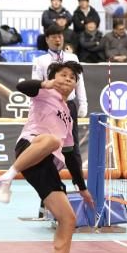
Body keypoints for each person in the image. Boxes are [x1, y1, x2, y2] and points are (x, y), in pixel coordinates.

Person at [0, 60, 94, 253]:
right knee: (51, 140)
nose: (68, 79)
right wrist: (45, 83)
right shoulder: (44, 92)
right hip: (30, 147)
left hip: (47, 164)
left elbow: (71, 154)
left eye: (72, 77)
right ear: (53, 77)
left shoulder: (69, 113)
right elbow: (22, 87)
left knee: (68, 219)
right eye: (63, 74)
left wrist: (81, 187)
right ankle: (7, 177)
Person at [32, 24, 88, 199]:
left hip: (69, 105)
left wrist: (83, 103)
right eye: (54, 37)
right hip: (49, 107)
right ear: (47, 39)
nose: (57, 40)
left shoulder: (72, 57)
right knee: (49, 147)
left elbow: (80, 82)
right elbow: (35, 85)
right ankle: (50, 187)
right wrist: (35, 108)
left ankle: (79, 183)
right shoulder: (40, 60)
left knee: (72, 148)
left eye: (60, 36)